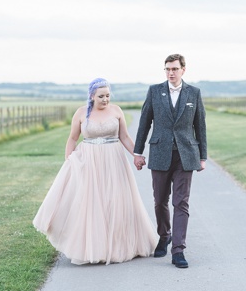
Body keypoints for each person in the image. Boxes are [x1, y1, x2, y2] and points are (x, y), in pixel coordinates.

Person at [33, 78, 158, 265]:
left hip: (114, 160)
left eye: (108, 95)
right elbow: (72, 138)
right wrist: (69, 161)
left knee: (115, 201)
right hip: (89, 161)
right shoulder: (81, 113)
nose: (105, 99)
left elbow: (124, 136)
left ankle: (118, 246)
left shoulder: (116, 111)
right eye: (101, 96)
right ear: (92, 96)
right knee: (92, 203)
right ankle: (94, 248)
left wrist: (137, 155)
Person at [133, 53, 207, 269]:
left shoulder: (194, 93)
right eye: (167, 69)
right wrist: (138, 152)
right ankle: (164, 236)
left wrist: (202, 156)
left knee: (181, 202)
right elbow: (144, 123)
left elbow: (200, 126)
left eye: (174, 69)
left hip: (186, 155)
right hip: (159, 152)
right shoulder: (155, 91)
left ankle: (178, 250)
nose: (171, 72)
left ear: (183, 69)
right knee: (160, 201)